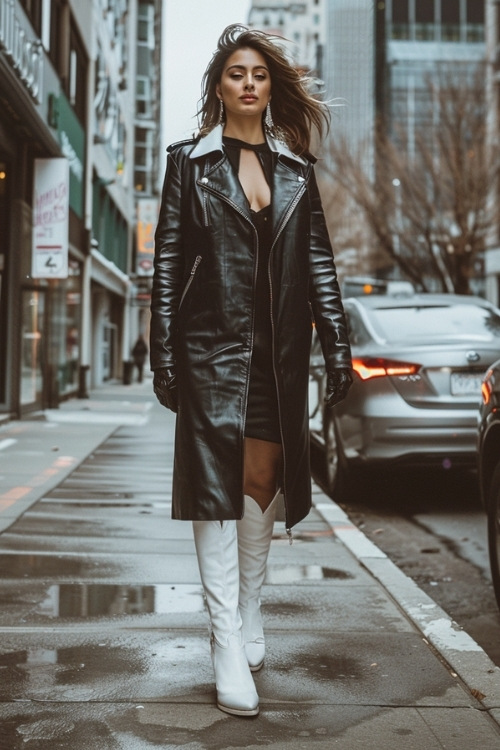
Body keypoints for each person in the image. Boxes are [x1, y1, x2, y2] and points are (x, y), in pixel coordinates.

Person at [150, 24, 352, 717]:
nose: (248, 83)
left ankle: (250, 607)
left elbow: (320, 258)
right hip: (211, 347)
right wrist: (163, 351)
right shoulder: (190, 164)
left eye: (259, 74)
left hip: (278, 353)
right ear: (219, 86)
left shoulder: (296, 168)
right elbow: (168, 261)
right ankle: (225, 640)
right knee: (219, 484)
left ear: (271, 88)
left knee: (263, 479)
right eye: (236, 72)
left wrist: (338, 344)